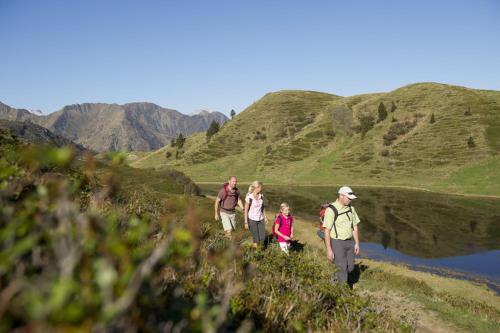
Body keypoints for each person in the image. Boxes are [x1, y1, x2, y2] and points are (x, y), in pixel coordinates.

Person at [323, 186, 361, 284]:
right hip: (337, 242)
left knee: (351, 267)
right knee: (342, 268)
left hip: (350, 242)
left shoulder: (351, 209)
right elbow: (326, 231)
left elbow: (355, 226)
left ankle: (334, 279)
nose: (350, 200)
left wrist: (356, 243)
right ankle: (342, 292)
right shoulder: (331, 210)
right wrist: (329, 250)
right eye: (349, 198)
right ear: (341, 196)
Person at [244, 181, 268, 246]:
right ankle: (256, 253)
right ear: (256, 187)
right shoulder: (249, 197)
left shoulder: (261, 196)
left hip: (260, 219)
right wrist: (246, 222)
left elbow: (263, 207)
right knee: (256, 238)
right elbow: (246, 211)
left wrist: (265, 217)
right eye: (260, 187)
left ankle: (257, 247)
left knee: (262, 237)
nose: (261, 189)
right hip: (252, 219)